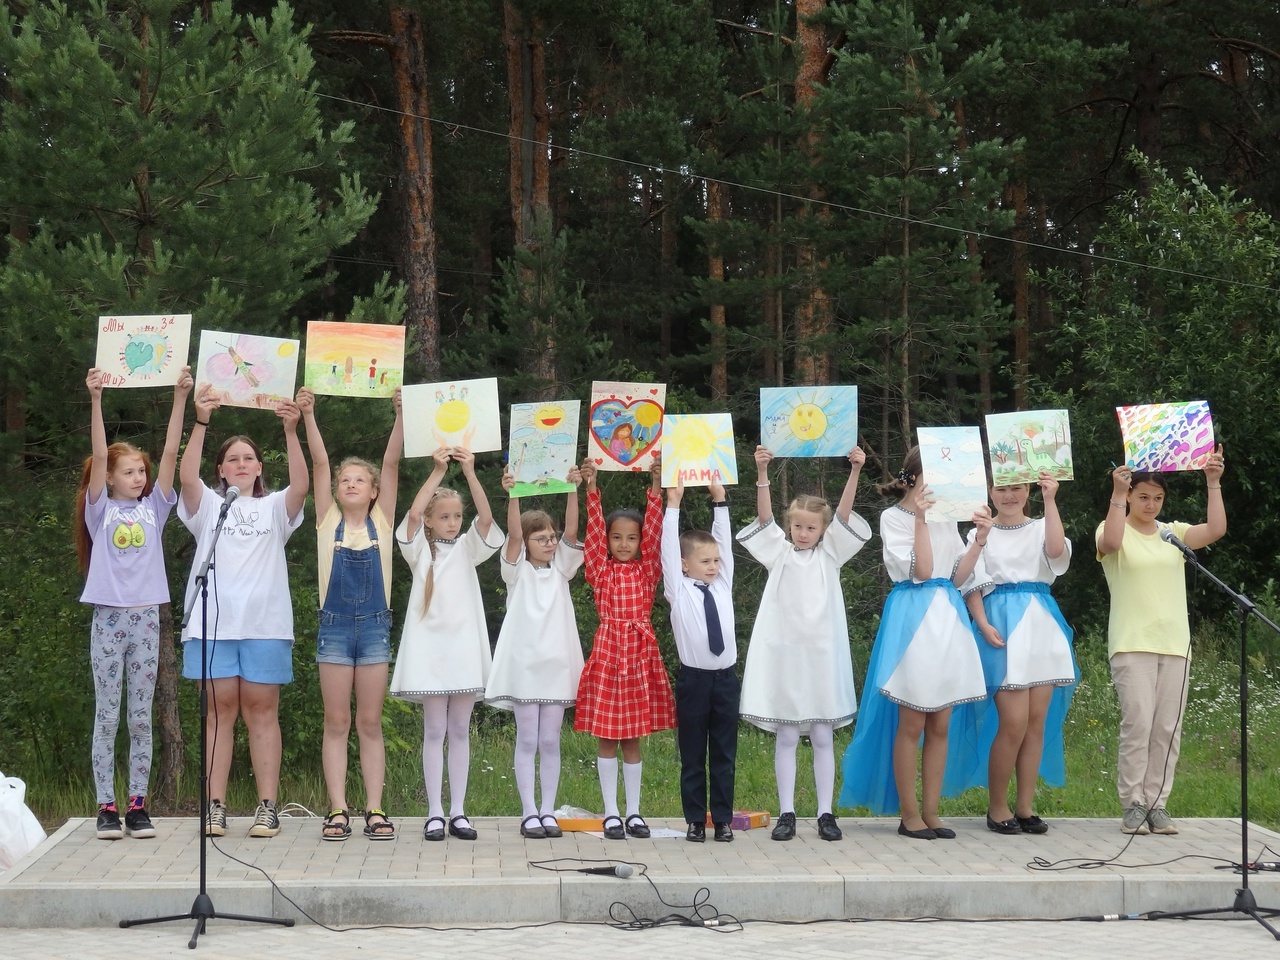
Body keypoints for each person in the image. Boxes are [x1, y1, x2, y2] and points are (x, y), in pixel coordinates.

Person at [179, 384, 309, 839]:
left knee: (261, 712)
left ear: (259, 468)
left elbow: (303, 486)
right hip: (213, 624)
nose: (240, 464)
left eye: (248, 459)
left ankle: (267, 806)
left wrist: (291, 431)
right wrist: (200, 421)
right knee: (220, 713)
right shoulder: (208, 505)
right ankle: (214, 806)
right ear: (221, 469)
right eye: (231, 459)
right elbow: (187, 479)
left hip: (265, 626)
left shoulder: (274, 507)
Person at [839, 445, 988, 840]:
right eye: (934, 477)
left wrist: (979, 541)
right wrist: (921, 519)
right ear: (914, 477)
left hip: (948, 617)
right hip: (914, 620)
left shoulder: (945, 519)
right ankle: (909, 814)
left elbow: (956, 577)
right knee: (912, 720)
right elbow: (921, 570)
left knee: (941, 721)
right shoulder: (894, 518)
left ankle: (932, 811)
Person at [76, 366, 192, 840]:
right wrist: (97, 399)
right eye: (129, 471)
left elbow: (169, 453)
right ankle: (106, 806)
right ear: (108, 478)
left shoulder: (155, 506)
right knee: (108, 714)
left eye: (141, 471)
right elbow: (100, 451)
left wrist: (180, 397)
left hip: (146, 619)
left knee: (140, 715)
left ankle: (137, 805)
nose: (139, 476)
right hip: (108, 619)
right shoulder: (98, 508)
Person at [737, 445, 871, 842]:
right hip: (785, 657)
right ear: (789, 525)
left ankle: (826, 813)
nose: (803, 533)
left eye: (811, 527)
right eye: (798, 526)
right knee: (788, 734)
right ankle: (787, 812)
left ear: (823, 530)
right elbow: (763, 518)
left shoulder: (830, 554)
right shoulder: (778, 553)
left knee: (823, 734)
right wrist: (762, 471)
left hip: (822, 658)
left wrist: (855, 471)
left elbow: (845, 515)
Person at [1096, 449, 1226, 835]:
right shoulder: (1109, 529)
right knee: (1138, 723)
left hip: (1174, 643)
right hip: (1132, 642)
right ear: (1131, 496)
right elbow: (1114, 542)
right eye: (1143, 497)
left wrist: (1213, 482)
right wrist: (1118, 493)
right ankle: (1133, 804)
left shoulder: (1175, 533)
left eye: (1157, 498)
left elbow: (1216, 530)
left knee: (1167, 727)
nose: (1150, 505)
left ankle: (1158, 804)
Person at [297, 386, 403, 842]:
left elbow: (394, 463)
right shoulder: (326, 521)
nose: (352, 484)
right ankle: (338, 809)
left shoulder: (382, 521)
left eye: (361, 480)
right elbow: (320, 464)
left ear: (375, 491)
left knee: (370, 723)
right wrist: (309, 414)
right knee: (337, 721)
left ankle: (375, 808)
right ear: (336, 491)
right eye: (346, 481)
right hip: (334, 630)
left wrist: (400, 414)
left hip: (376, 629)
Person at [952, 473, 1076, 835]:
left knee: (1036, 722)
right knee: (1014, 722)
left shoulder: (1041, 526)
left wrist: (1051, 499)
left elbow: (1055, 552)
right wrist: (982, 622)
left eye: (1016, 488)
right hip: (1002, 624)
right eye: (1002, 489)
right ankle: (997, 807)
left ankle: (1025, 806)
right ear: (990, 491)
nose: (1009, 495)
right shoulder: (980, 531)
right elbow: (969, 580)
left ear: (1028, 491)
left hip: (1040, 622)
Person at [389, 445, 501, 841]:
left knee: (459, 729)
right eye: (445, 517)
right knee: (434, 729)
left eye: (457, 516)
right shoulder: (418, 550)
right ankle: (434, 811)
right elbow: (413, 515)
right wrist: (437, 472)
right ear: (433, 524)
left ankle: (458, 812)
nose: (453, 522)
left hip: (464, 650)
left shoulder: (469, 548)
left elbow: (486, 520)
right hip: (429, 652)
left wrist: (470, 472)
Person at [573, 456, 673, 840]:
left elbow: (656, 528)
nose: (624, 544)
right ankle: (611, 813)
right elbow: (594, 532)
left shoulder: (648, 569)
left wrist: (656, 485)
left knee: (632, 737)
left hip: (640, 653)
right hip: (610, 653)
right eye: (618, 537)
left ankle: (634, 812)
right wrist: (592, 488)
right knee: (607, 736)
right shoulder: (600, 569)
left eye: (632, 538)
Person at [485, 466, 585, 839]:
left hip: (557, 665)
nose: (550, 542)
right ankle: (528, 812)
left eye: (551, 537)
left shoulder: (561, 569)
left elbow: (573, 533)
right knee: (527, 739)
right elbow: (512, 533)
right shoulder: (516, 571)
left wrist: (574, 489)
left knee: (550, 740)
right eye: (541, 538)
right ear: (527, 542)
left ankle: (548, 811)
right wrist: (512, 493)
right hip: (526, 667)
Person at [661, 478, 739, 843]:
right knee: (693, 753)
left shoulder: (722, 585)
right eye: (705, 561)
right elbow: (666, 550)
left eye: (715, 561)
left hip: (725, 680)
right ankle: (695, 819)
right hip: (693, 681)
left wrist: (719, 501)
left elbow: (723, 544)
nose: (713, 566)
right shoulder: (678, 590)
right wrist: (673, 504)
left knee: (724, 752)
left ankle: (721, 819)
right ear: (684, 565)